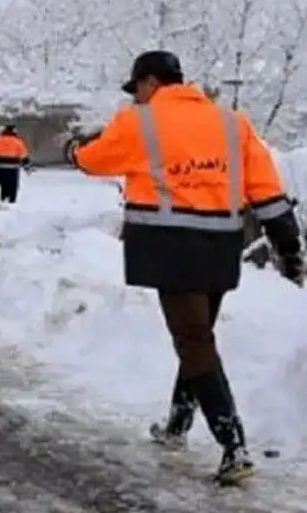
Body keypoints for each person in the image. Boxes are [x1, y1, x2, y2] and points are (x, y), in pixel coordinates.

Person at [62, 49, 304, 485]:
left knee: (193, 341)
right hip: (220, 247)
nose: (136, 97)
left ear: (151, 83)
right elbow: (267, 192)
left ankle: (235, 448)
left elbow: (95, 160)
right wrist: (290, 248)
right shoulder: (235, 123)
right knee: (199, 335)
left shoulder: (139, 121)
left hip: (169, 246)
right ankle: (177, 425)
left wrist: (73, 151)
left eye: (137, 89)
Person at [0, 124, 31, 203]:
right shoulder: (18, 141)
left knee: (3, 185)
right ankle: (11, 202)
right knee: (13, 186)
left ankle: (3, 200)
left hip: (0, 167)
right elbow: (24, 155)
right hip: (13, 168)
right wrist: (27, 167)